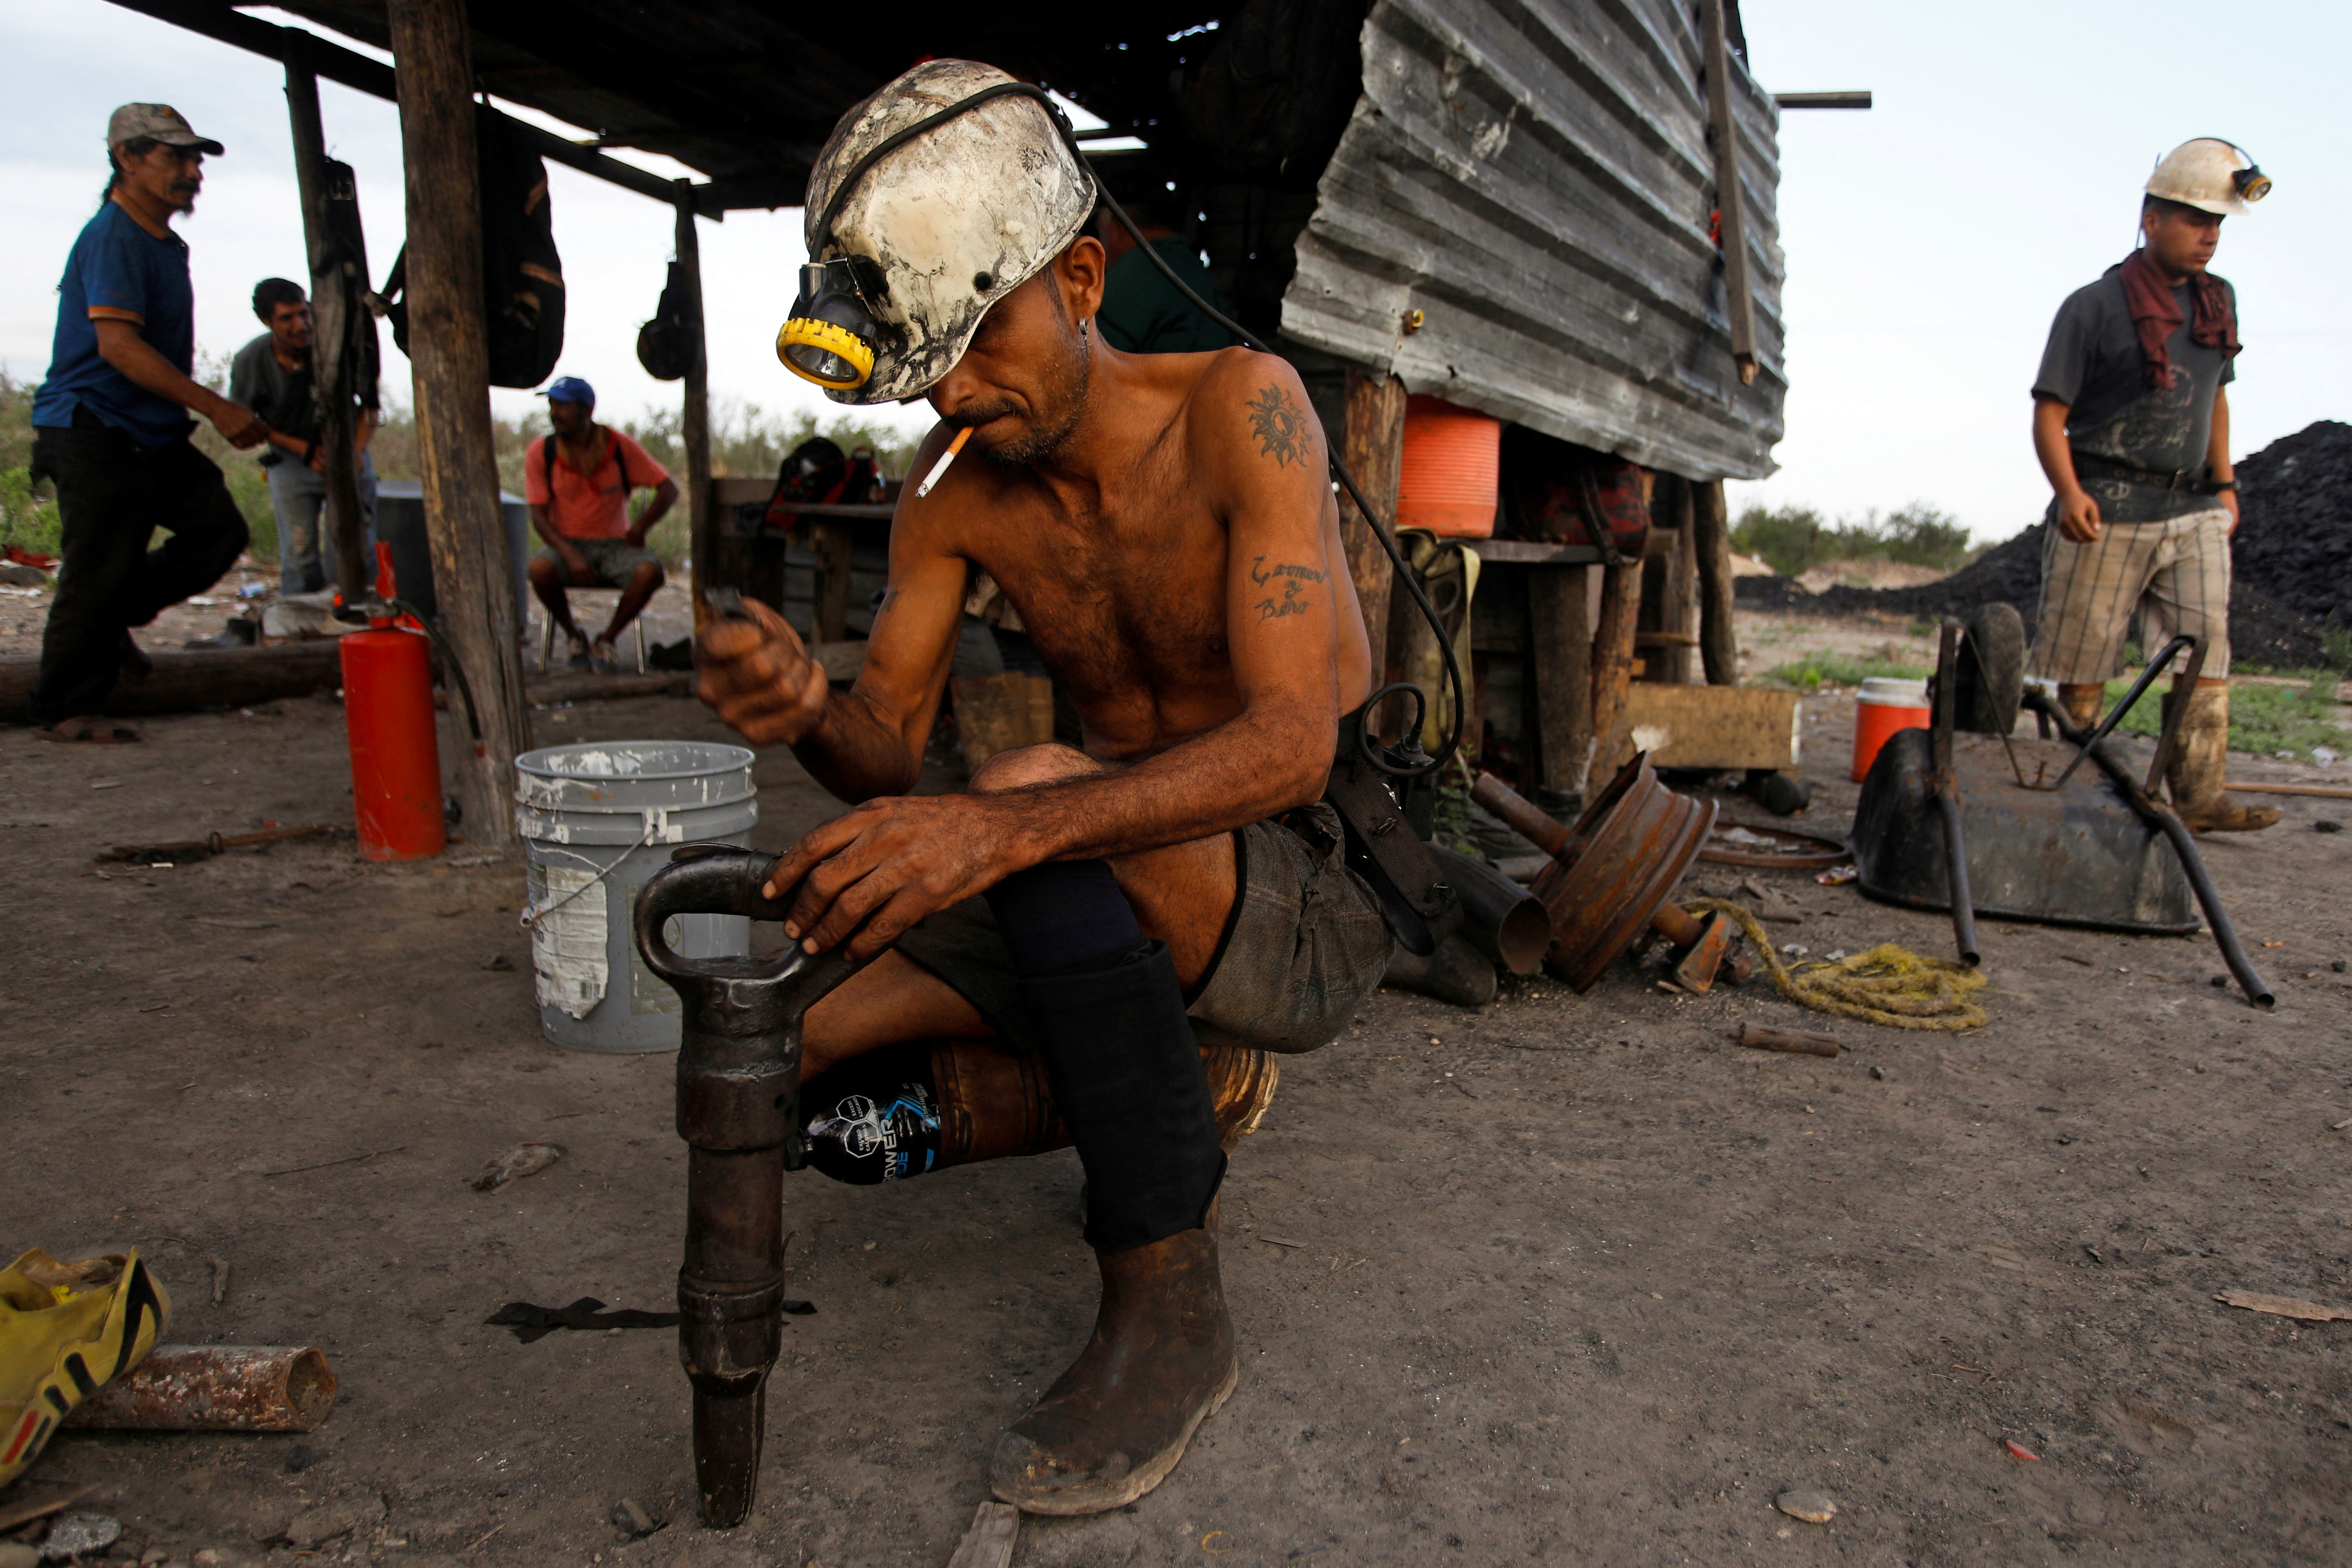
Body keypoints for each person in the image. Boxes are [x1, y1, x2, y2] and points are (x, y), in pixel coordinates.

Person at [699, 60, 1397, 1515]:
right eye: (930, 367)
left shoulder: (1243, 409)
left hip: (1292, 877)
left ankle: (1168, 1295)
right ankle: (1175, 1077)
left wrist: (1001, 821)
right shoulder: (954, 489)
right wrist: (815, 711)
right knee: (778, 1049)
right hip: (1083, 872)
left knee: (1020, 782)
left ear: (1080, 276)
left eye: (983, 340)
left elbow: (1291, 748)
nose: (957, 391)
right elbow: (888, 740)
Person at [2028, 137, 2277, 832]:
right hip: (2103, 505)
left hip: (2189, 503)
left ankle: (2197, 799)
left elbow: (2213, 398)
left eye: (2217, 224)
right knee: (2083, 658)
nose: (2208, 236)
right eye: (2194, 220)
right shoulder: (2092, 307)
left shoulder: (2215, 302)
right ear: (2149, 217)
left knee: (2204, 645)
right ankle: (2066, 791)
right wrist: (2069, 490)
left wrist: (2223, 484)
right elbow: (2049, 413)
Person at [25, 105, 266, 743]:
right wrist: (216, 405)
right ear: (127, 159)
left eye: (195, 160)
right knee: (96, 566)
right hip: (94, 426)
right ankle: (65, 708)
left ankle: (106, 622)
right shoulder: (114, 236)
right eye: (176, 158)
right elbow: (119, 348)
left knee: (216, 530)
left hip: (146, 429)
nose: (192, 172)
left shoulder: (159, 240)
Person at [227, 278, 379, 597]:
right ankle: (302, 621)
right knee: (300, 551)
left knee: (359, 544)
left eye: (305, 314)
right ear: (266, 321)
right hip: (290, 460)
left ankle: (359, 613)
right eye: (287, 319)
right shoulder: (250, 362)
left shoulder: (336, 347)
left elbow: (370, 407)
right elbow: (242, 422)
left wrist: (355, 451)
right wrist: (301, 449)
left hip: (348, 452)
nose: (301, 325)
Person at [522, 375, 677, 670]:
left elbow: (669, 489)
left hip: (614, 545)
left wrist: (640, 528)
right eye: (553, 405)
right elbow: (539, 516)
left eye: (564, 406)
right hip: (564, 543)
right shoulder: (543, 451)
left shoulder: (618, 446)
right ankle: (574, 635)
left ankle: (607, 640)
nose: (556, 413)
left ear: (587, 411)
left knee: (650, 572)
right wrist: (571, 555)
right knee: (539, 568)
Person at [1091, 192, 1237, 354]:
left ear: (1118, 226)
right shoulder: (1191, 265)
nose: (1101, 245)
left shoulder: (1136, 270)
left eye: (1101, 233)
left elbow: (1089, 352)